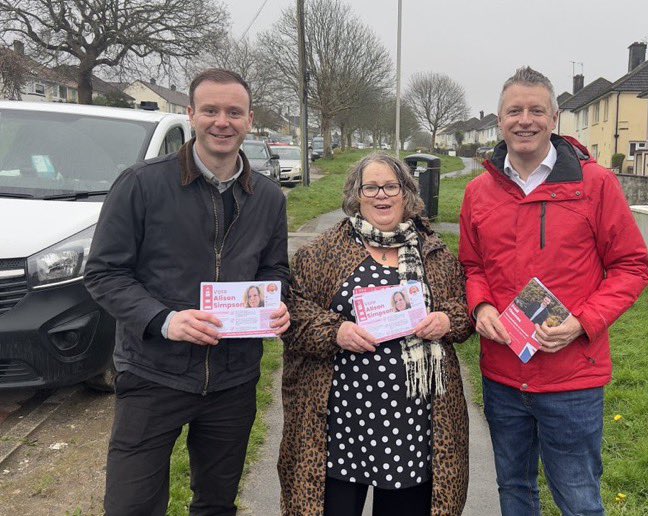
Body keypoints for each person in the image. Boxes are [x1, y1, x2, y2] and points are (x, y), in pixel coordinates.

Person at [84, 68, 290, 515]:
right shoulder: (141, 184)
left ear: (249, 119)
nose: (223, 121)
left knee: (216, 505)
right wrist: (165, 320)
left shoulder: (269, 198)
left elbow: (275, 270)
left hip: (233, 378)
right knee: (131, 506)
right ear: (191, 114)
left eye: (234, 112)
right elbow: (103, 273)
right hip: (153, 371)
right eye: (211, 110)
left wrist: (278, 305)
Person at [459, 66, 648, 515]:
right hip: (504, 374)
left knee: (579, 500)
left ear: (555, 117)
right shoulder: (478, 192)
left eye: (536, 110)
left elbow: (632, 266)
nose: (525, 120)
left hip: (572, 378)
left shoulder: (596, 184)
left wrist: (583, 322)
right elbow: (473, 265)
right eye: (514, 111)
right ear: (500, 118)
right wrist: (481, 304)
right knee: (515, 491)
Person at [279, 153, 473, 515]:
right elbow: (295, 313)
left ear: (406, 194)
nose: (381, 195)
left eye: (390, 186)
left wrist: (447, 321)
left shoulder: (434, 253)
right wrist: (335, 331)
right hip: (341, 421)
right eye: (371, 187)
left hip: (414, 423)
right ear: (357, 195)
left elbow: (464, 308)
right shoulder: (322, 253)